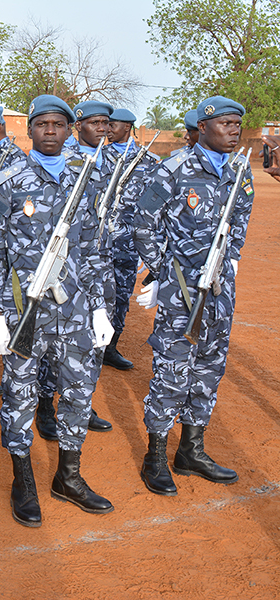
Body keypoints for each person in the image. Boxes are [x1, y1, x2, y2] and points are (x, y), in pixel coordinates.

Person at [0, 95, 115, 528]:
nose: (51, 131)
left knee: (78, 392)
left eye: (59, 124)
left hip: (74, 309)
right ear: (30, 130)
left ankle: (68, 476)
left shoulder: (86, 178)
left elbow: (95, 249)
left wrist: (99, 308)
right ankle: (23, 479)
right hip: (23, 311)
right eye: (43, 124)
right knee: (19, 396)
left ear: (70, 129)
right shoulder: (7, 180)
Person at [134, 96, 252, 496]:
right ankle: (155, 457)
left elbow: (240, 218)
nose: (234, 130)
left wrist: (229, 260)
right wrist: (165, 272)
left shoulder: (239, 169)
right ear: (203, 128)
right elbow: (143, 224)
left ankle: (191, 450)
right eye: (226, 123)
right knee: (172, 370)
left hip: (220, 289)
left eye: (237, 124)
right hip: (181, 291)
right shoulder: (174, 169)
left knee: (208, 369)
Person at [34, 100, 114, 441]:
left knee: (79, 351)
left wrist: (97, 303)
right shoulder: (68, 164)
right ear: (77, 128)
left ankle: (77, 405)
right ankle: (43, 406)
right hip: (41, 273)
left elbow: (90, 231)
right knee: (40, 350)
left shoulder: (102, 163)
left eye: (105, 123)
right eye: (94, 122)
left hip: (84, 270)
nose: (103, 128)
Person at [103, 108, 160, 371]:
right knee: (97, 292)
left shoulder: (148, 161)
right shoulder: (98, 157)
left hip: (128, 240)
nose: (107, 129)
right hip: (98, 239)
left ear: (127, 127)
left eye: (112, 125)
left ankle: (111, 347)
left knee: (122, 294)